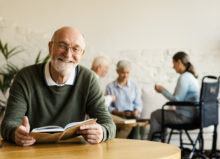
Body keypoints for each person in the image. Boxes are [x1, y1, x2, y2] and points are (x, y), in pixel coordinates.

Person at [1, 26, 116, 146]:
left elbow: (108, 124)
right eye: (62, 45)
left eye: (75, 49)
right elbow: (8, 124)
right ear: (50, 47)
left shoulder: (88, 79)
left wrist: (102, 132)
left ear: (82, 54)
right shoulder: (25, 77)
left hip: (74, 152)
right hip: (33, 151)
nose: (68, 54)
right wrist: (16, 133)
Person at [148, 51, 199, 141]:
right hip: (193, 116)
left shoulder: (184, 77)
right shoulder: (192, 77)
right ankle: (161, 144)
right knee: (162, 114)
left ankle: (153, 146)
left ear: (179, 62)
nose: (173, 67)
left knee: (155, 115)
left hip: (184, 117)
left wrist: (162, 91)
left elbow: (177, 100)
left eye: (173, 64)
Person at [106, 60, 143, 138]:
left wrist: (136, 111)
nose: (125, 75)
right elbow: (108, 106)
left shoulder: (134, 86)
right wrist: (120, 113)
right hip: (118, 115)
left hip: (132, 115)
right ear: (117, 71)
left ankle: (134, 146)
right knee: (128, 124)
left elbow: (138, 103)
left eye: (128, 73)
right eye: (123, 72)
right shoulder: (110, 87)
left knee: (134, 123)